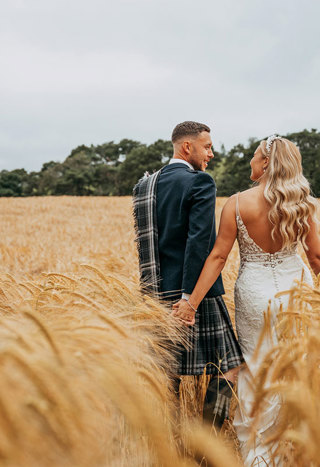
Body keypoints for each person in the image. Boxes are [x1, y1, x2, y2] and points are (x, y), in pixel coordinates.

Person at [173, 135, 320, 464]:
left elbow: (218, 257)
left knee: (255, 366)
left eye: (254, 155)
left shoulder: (237, 203)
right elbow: (316, 258)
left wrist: (190, 302)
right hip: (297, 293)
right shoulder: (301, 202)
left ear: (264, 164)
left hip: (254, 294)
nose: (250, 160)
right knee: (293, 366)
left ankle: (258, 452)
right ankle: (291, 446)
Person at [132, 121, 244, 430]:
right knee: (229, 369)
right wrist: (188, 300)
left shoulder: (146, 185)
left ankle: (170, 444)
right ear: (187, 147)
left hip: (156, 294)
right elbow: (199, 244)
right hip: (195, 292)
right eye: (207, 146)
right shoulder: (200, 183)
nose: (211, 152)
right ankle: (204, 445)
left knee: (167, 375)